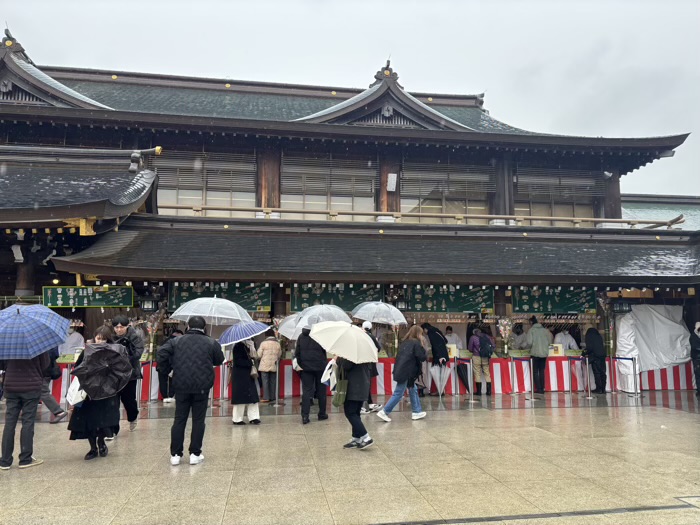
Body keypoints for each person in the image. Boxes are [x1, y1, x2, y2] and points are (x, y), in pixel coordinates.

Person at [157, 316, 224, 466]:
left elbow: (161, 353)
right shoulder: (210, 342)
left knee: (179, 419)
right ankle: (195, 453)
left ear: (188, 326)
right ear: (204, 327)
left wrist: (168, 370)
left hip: (180, 385)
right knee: (198, 420)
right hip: (202, 386)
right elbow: (219, 360)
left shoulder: (176, 341)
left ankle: (175, 455)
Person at [68, 326, 127, 460]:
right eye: (98, 338)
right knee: (88, 420)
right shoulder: (87, 351)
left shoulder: (113, 352)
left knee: (103, 420)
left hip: (107, 392)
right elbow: (77, 368)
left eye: (104, 339)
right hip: (88, 392)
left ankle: (101, 443)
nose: (100, 341)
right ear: (94, 337)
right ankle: (92, 447)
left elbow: (120, 370)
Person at [0, 349, 50, 469]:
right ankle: (25, 459)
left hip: (11, 386)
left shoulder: (9, 342)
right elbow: (46, 364)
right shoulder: (37, 344)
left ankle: (5, 460)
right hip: (31, 385)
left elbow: (2, 364)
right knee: (28, 422)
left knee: (9, 423)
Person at [377, 325, 427, 422]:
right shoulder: (416, 343)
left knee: (413, 389)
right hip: (407, 371)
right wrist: (423, 347)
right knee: (399, 393)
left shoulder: (404, 342)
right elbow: (422, 357)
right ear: (418, 334)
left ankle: (417, 411)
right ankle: (384, 411)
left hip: (401, 370)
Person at [110, 315, 144, 437]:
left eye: (121, 327)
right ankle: (113, 429)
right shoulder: (110, 337)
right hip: (113, 374)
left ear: (127, 326)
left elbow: (138, 353)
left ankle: (132, 417)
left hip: (130, 374)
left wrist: (125, 357)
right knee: (113, 401)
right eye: (116, 327)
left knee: (128, 400)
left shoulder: (134, 337)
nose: (119, 330)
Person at [337, 357, 374, 449]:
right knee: (356, 413)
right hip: (362, 385)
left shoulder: (350, 353)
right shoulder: (364, 353)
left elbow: (346, 366)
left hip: (353, 387)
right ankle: (356, 438)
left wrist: (338, 359)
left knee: (350, 413)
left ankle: (366, 437)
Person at [295, 327, 328, 424]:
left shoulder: (301, 336)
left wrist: (302, 365)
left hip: (306, 368)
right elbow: (324, 350)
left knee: (306, 391)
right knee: (321, 391)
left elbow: (297, 353)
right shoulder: (320, 335)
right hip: (320, 367)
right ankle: (322, 414)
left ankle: (305, 416)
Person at [231, 339, 261, 425]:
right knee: (240, 397)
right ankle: (237, 419)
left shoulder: (248, 346)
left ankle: (254, 417)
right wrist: (249, 362)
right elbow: (238, 361)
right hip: (240, 375)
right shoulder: (238, 346)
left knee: (252, 397)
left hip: (248, 374)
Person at [41, 346, 68, 424]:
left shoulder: (44, 345)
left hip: (43, 371)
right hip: (46, 370)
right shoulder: (50, 342)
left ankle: (59, 411)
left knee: (42, 392)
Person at [526, 316, 552, 394]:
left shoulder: (531, 331)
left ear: (531, 323)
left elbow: (529, 343)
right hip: (544, 354)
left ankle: (538, 389)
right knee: (541, 371)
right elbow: (550, 342)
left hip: (535, 353)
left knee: (535, 372)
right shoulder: (546, 331)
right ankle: (542, 388)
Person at [361, 321, 383, 414]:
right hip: (369, 363)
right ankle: (366, 404)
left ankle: (367, 404)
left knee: (363, 384)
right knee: (367, 384)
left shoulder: (360, 336)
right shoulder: (371, 337)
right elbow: (378, 348)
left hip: (360, 363)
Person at [421, 323, 448, 396]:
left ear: (425, 329)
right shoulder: (436, 330)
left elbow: (435, 345)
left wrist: (438, 357)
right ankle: (441, 390)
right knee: (441, 372)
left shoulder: (431, 332)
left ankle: (439, 391)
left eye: (423, 331)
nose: (424, 333)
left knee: (438, 373)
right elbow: (446, 341)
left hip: (439, 356)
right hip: (443, 354)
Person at [257, 329, 282, 403]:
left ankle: (266, 397)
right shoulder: (277, 344)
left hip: (264, 365)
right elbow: (279, 355)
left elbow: (258, 355)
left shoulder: (263, 343)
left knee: (265, 381)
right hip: (274, 365)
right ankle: (273, 397)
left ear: (266, 335)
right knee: (273, 381)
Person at [158, 329, 183, 403]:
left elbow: (160, 352)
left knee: (162, 381)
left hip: (161, 365)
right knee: (172, 381)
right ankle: (171, 396)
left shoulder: (165, 341)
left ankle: (165, 396)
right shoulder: (177, 342)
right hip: (172, 365)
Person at [468, 328, 495, 396]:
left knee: (477, 372)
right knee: (487, 372)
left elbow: (470, 348)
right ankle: (488, 392)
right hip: (485, 357)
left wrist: (475, 351)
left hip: (476, 356)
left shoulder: (473, 337)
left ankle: (479, 392)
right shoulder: (486, 336)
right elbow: (493, 346)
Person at [582, 328, 607, 394]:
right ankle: (603, 389)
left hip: (595, 356)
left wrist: (584, 353)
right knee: (603, 373)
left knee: (597, 373)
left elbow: (589, 348)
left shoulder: (589, 336)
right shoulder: (599, 336)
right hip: (602, 356)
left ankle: (599, 389)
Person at [690, 322, 700, 398]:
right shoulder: (693, 336)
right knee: (698, 375)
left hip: (696, 357)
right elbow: (694, 346)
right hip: (697, 358)